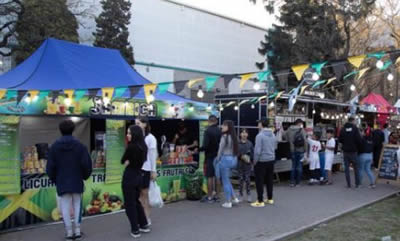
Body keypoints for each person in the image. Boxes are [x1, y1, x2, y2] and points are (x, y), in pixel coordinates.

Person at [46, 120, 92, 241]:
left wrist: (54, 179)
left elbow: (50, 166)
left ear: (60, 130)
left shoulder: (54, 146)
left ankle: (68, 232)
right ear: (73, 129)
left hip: (62, 180)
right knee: (77, 205)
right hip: (77, 180)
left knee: (64, 207)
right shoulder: (80, 146)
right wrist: (84, 176)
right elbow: (86, 164)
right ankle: (77, 231)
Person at [121, 125, 150, 238]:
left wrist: (127, 161)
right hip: (139, 176)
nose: (127, 135)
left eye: (129, 133)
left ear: (134, 134)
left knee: (130, 204)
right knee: (136, 201)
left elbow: (123, 160)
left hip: (129, 177)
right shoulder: (143, 146)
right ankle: (143, 224)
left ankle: (135, 229)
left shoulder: (131, 147)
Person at [135, 117, 157, 225]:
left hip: (146, 169)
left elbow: (153, 156)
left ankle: (147, 219)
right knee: (139, 196)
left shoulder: (150, 138)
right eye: (135, 123)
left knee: (145, 194)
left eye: (138, 123)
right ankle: (141, 218)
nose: (136, 125)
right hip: (137, 169)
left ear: (145, 125)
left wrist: (153, 171)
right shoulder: (137, 137)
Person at [251, 118, 277, 208]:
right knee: (269, 180)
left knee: (259, 181)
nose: (258, 124)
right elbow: (275, 146)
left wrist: (255, 161)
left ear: (261, 124)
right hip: (271, 159)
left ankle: (260, 200)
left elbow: (257, 151)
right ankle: (270, 199)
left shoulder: (260, 136)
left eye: (258, 123)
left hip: (261, 160)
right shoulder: (273, 134)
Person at [216, 120, 239, 208]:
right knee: (227, 180)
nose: (222, 127)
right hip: (234, 159)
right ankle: (234, 198)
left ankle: (228, 201)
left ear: (228, 127)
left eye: (224, 126)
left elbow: (220, 150)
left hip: (225, 159)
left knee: (225, 181)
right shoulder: (234, 137)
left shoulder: (224, 137)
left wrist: (218, 159)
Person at [199, 115, 222, 203]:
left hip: (209, 157)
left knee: (210, 177)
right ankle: (217, 196)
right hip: (218, 156)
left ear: (209, 121)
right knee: (217, 176)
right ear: (216, 121)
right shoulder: (220, 131)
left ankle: (209, 197)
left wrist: (198, 149)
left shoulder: (207, 131)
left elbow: (205, 146)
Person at [339, 116, 362, 188]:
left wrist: (345, 143)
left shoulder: (342, 129)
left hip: (345, 151)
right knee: (356, 168)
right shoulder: (355, 128)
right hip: (353, 151)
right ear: (353, 121)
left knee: (347, 169)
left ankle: (348, 184)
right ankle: (357, 184)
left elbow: (340, 139)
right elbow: (359, 140)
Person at [284, 119, 307, 187]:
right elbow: (305, 141)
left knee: (293, 166)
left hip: (292, 150)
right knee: (299, 166)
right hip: (301, 150)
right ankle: (298, 183)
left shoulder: (289, 129)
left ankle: (292, 182)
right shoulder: (302, 130)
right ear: (299, 123)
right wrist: (305, 150)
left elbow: (285, 138)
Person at [237, 128, 254, 203]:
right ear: (240, 134)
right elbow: (235, 153)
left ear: (247, 134)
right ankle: (240, 194)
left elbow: (252, 154)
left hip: (248, 164)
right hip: (240, 164)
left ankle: (248, 194)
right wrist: (241, 156)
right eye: (242, 132)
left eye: (245, 133)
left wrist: (251, 160)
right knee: (240, 179)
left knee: (247, 179)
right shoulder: (237, 143)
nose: (244, 134)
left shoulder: (250, 143)